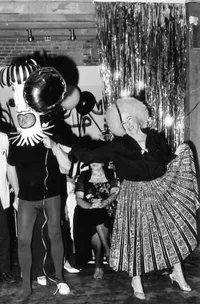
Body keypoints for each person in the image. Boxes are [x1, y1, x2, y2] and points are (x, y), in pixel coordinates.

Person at [60, 97, 199, 300]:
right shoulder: (118, 145)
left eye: (129, 118)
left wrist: (178, 156)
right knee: (136, 239)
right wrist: (66, 148)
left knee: (169, 233)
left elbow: (166, 162)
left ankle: (177, 273)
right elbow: (91, 155)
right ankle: (136, 280)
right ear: (119, 126)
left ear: (137, 116)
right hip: (134, 195)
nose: (128, 124)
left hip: (160, 190)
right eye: (122, 122)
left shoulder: (155, 138)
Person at [73, 162, 118, 279]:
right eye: (92, 160)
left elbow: (114, 193)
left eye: (97, 160)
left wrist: (105, 202)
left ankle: (99, 265)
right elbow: (79, 199)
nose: (94, 163)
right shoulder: (84, 175)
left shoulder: (110, 174)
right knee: (95, 215)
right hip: (86, 209)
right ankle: (108, 250)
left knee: (99, 215)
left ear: (103, 162)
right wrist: (89, 206)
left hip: (107, 207)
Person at [0, 131, 19, 284]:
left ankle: (4, 270)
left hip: (1, 193)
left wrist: (14, 187)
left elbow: (9, 165)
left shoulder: (3, 138)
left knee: (3, 234)